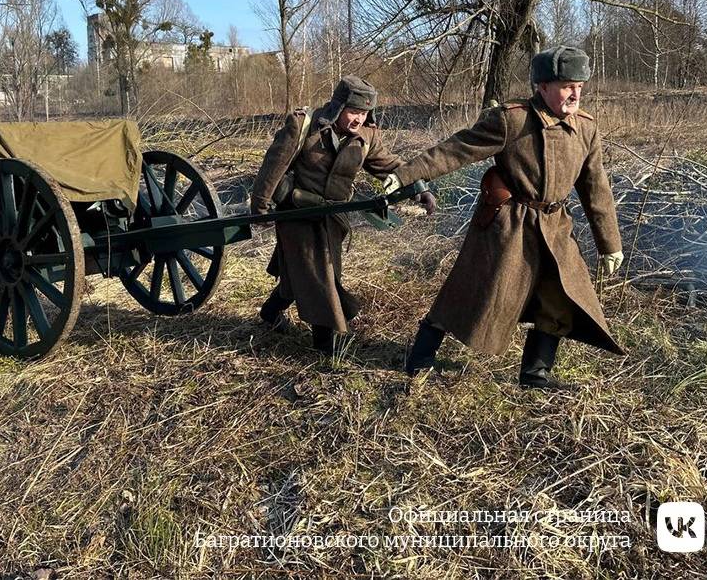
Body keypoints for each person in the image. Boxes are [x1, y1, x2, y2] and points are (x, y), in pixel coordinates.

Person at [384, 46, 624, 390]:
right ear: (542, 86)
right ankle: (420, 357)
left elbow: (595, 187)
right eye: (566, 86)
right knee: (471, 292)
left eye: (579, 86)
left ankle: (535, 374)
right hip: (508, 227)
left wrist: (609, 243)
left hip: (556, 228)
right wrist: (406, 175)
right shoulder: (511, 120)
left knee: (559, 297)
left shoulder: (586, 129)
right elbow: (455, 150)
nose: (575, 94)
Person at [250, 75, 437, 355]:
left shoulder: (367, 136)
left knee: (303, 274)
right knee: (320, 277)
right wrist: (260, 207)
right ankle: (326, 349)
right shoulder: (303, 126)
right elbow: (273, 167)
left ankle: (269, 312)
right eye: (353, 112)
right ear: (338, 107)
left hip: (333, 219)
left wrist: (418, 187)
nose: (358, 119)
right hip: (297, 213)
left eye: (363, 113)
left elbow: (390, 166)